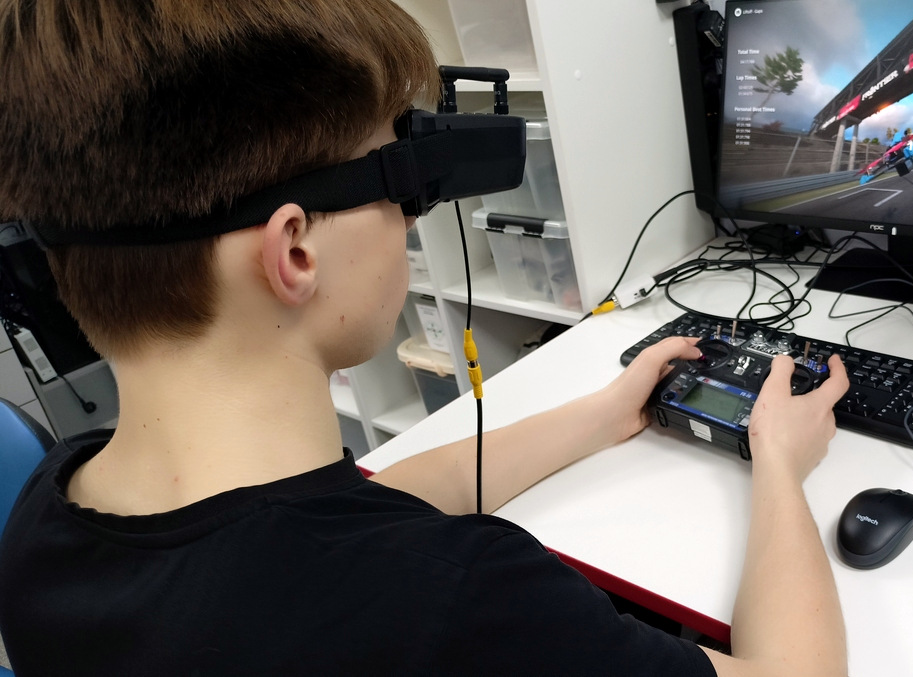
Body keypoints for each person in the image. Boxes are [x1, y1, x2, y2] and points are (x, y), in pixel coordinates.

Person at [0, 1, 850, 675]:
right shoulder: (458, 602)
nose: (412, 218)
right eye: (400, 180)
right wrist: (777, 458)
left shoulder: (49, 511)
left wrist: (605, 412)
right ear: (295, 251)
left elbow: (350, 514)